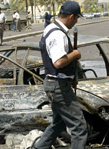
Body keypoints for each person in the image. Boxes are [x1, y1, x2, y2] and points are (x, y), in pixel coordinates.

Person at [33, 1, 87, 149]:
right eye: (76, 18)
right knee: (80, 127)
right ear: (71, 16)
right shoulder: (58, 34)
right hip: (58, 86)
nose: (76, 21)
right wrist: (75, 54)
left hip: (54, 84)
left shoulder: (51, 28)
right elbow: (58, 62)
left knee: (58, 123)